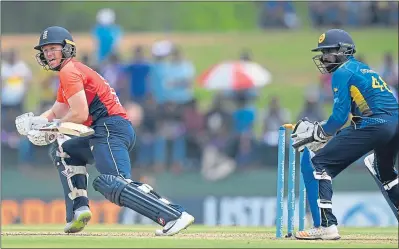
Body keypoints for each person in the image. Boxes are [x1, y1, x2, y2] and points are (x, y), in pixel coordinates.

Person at [15, 26, 194, 236]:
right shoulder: (71, 73)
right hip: (102, 130)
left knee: (112, 182)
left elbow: (80, 113)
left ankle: (174, 214)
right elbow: (58, 110)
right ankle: (79, 209)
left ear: (67, 49)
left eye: (53, 48)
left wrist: (49, 127)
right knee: (64, 150)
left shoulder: (69, 71)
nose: (48, 54)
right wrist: (36, 122)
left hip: (110, 128)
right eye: (45, 50)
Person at [290, 29, 399, 240]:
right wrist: (327, 131)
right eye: (322, 53)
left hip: (375, 123)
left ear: (343, 51)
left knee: (319, 164)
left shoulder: (342, 72)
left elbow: (339, 118)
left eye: (328, 52)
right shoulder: (364, 69)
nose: (324, 58)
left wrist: (321, 132)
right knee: (384, 172)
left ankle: (327, 226)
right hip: (395, 124)